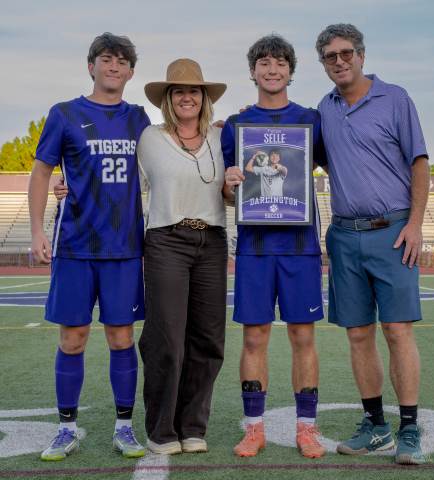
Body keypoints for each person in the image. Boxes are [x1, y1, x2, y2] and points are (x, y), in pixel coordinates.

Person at [29, 33, 149, 461]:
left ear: (131, 72)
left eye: (122, 61)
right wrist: (37, 230)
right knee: (73, 338)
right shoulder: (64, 113)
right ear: (91, 66)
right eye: (106, 59)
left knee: (121, 337)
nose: (114, 66)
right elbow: (41, 172)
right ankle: (66, 429)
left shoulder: (140, 119)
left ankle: (124, 428)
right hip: (75, 246)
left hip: (124, 248)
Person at [315, 24, 429, 465]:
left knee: (397, 330)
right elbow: (303, 151)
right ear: (323, 63)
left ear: (361, 55)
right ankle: (376, 425)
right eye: (330, 56)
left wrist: (415, 224)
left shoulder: (395, 98)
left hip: (393, 230)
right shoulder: (324, 109)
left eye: (346, 53)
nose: (339, 61)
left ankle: (410, 427)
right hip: (345, 234)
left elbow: (419, 162)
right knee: (359, 333)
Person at [222, 34, 327, 458]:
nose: (272, 69)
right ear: (253, 71)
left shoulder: (311, 120)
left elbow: (334, 162)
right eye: (264, 62)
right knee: (254, 338)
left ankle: (307, 428)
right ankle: (254, 428)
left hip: (300, 245)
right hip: (255, 246)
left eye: (280, 63)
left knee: (303, 336)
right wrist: (230, 185)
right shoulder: (236, 125)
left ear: (290, 70)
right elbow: (228, 193)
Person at [137, 58, 228, 455]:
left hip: (212, 239)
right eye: (178, 91)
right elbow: (118, 181)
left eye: (194, 91)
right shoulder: (150, 138)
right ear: (167, 99)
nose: (187, 97)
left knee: (208, 338)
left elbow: (232, 192)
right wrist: (66, 185)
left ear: (204, 98)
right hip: (166, 239)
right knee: (167, 339)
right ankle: (161, 430)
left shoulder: (222, 138)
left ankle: (193, 427)